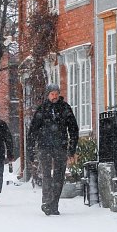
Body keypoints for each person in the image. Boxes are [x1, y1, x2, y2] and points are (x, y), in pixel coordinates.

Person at [28, 84, 79, 215]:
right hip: (44, 146)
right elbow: (33, 130)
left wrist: (71, 149)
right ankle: (46, 201)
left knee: (59, 175)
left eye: (56, 94)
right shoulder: (42, 109)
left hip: (60, 146)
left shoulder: (65, 108)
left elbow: (73, 128)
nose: (54, 96)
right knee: (46, 174)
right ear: (48, 95)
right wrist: (30, 150)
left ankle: (53, 204)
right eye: (52, 94)